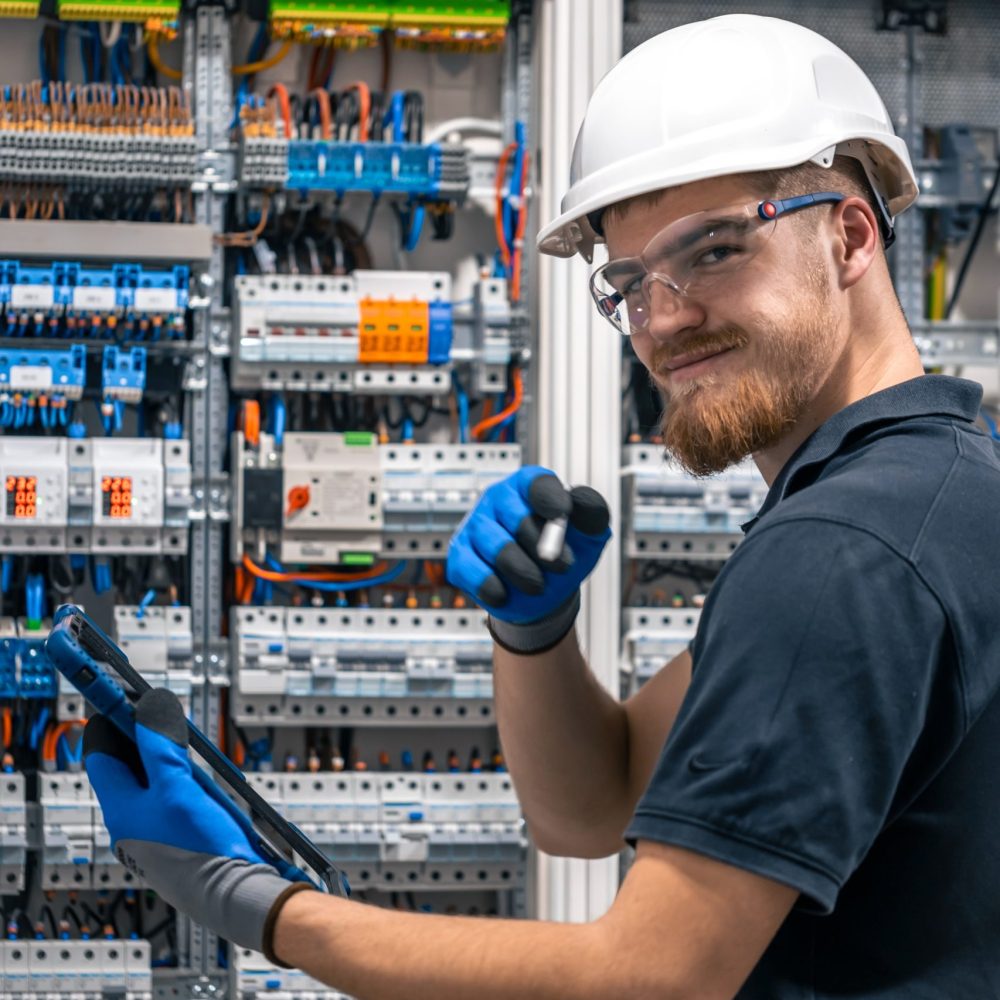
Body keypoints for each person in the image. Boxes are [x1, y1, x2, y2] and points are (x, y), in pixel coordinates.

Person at [83, 13, 1000, 999]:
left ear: (850, 233)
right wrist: (535, 633)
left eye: (715, 250)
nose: (663, 319)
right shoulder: (938, 489)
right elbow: (593, 806)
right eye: (630, 281)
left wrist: (261, 904)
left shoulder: (839, 552)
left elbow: (650, 978)